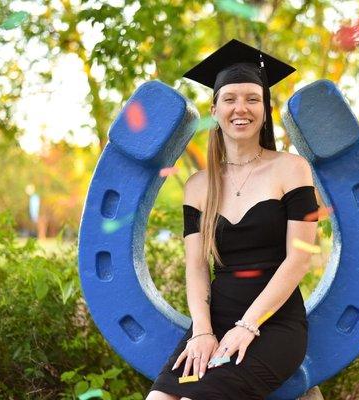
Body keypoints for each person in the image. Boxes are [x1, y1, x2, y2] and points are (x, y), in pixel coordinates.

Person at [147, 39, 319, 400]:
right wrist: (203, 332)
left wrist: (248, 325)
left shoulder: (292, 169)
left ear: (265, 108)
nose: (241, 108)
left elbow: (300, 257)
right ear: (214, 109)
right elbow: (195, 268)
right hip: (217, 320)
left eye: (252, 99)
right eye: (230, 99)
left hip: (274, 323)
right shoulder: (197, 186)